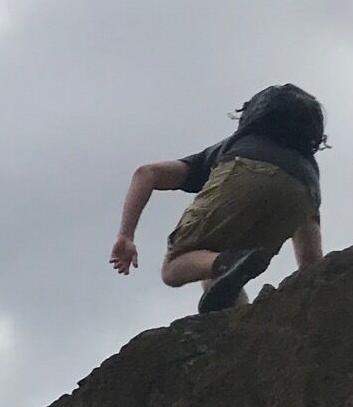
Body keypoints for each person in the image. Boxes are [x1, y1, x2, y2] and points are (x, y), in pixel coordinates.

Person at [110, 85, 327, 313]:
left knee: (174, 267)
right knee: (211, 269)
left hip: (244, 168)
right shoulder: (308, 171)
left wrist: (125, 235)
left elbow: (146, 173)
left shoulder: (237, 145)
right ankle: (239, 317)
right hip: (302, 196)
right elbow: (311, 260)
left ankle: (230, 264)